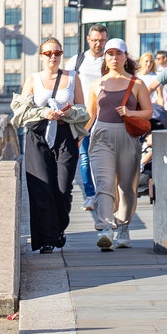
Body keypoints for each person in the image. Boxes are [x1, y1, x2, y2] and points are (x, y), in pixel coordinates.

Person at [16, 38, 86, 253]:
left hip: (65, 134)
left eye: (57, 53)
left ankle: (58, 229)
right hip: (38, 136)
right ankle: (47, 238)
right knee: (41, 188)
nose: (53, 57)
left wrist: (69, 112)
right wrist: (44, 113)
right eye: (48, 53)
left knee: (63, 188)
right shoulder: (33, 79)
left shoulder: (73, 77)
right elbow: (20, 112)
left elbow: (83, 110)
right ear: (41, 56)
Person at [87, 38, 155, 250]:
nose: (114, 58)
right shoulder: (97, 84)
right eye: (110, 54)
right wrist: (78, 134)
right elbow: (91, 115)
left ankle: (123, 226)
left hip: (127, 136)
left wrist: (130, 112)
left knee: (127, 185)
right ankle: (106, 228)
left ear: (126, 57)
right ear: (104, 58)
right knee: (104, 183)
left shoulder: (136, 83)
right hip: (101, 135)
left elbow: (149, 112)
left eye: (118, 53)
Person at [69, 25, 110, 210]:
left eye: (101, 40)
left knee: (106, 157)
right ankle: (90, 195)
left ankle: (107, 194)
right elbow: (66, 84)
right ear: (88, 39)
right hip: (84, 115)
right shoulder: (77, 61)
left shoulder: (111, 59)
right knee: (85, 156)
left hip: (106, 115)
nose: (98, 44)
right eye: (94, 40)